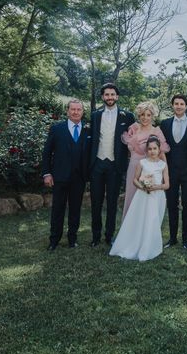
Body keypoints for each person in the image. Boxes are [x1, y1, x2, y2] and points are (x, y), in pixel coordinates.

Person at [89, 83, 135, 247]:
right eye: (106, 94)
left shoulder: (127, 116)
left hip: (116, 165)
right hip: (98, 164)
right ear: (103, 97)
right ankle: (95, 236)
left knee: (112, 202)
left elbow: (133, 138)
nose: (109, 97)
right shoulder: (95, 115)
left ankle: (109, 236)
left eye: (112, 94)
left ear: (117, 96)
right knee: (96, 201)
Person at [110, 136, 170, 261]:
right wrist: (143, 187)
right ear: (146, 151)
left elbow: (167, 185)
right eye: (149, 149)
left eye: (155, 148)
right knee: (143, 219)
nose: (152, 151)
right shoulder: (142, 163)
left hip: (157, 196)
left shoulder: (163, 165)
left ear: (159, 150)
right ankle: (136, 244)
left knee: (154, 220)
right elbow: (135, 180)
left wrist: (155, 187)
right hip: (143, 196)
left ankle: (150, 246)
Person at [41, 99, 91, 250]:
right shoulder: (57, 129)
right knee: (58, 209)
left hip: (79, 178)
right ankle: (54, 240)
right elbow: (47, 153)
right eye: (73, 109)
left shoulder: (88, 130)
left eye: (79, 110)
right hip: (59, 176)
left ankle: (72, 239)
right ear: (68, 111)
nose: (76, 112)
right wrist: (46, 173)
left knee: (75, 210)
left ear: (83, 112)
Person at [160, 94, 187, 250]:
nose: (179, 106)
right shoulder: (165, 124)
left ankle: (185, 240)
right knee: (172, 205)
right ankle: (173, 238)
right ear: (172, 105)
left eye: (182, 103)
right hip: (170, 172)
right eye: (176, 103)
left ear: (186, 106)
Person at [121, 101, 169, 218]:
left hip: (149, 169)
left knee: (146, 200)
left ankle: (145, 230)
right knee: (131, 197)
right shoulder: (133, 128)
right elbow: (128, 150)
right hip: (133, 167)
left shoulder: (156, 131)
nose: (145, 118)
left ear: (152, 116)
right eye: (142, 114)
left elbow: (162, 154)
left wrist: (164, 173)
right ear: (138, 115)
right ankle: (129, 230)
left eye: (148, 115)